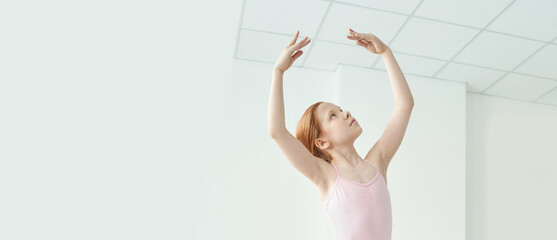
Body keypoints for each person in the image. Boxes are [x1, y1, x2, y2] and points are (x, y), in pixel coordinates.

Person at [267, 28, 414, 240]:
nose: (345, 113)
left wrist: (386, 53)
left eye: (341, 109)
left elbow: (405, 106)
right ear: (322, 142)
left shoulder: (378, 161)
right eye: (333, 116)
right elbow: (277, 132)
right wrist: (277, 72)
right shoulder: (324, 176)